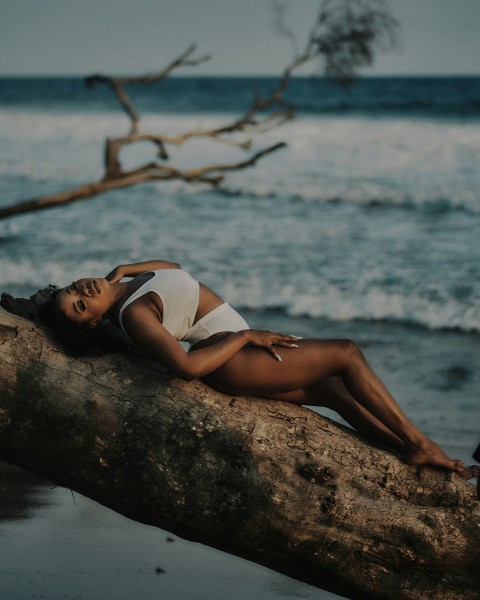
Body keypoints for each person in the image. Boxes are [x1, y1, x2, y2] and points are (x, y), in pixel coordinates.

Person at [43, 259, 477, 478]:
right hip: (231, 362)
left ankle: (414, 453)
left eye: (73, 288)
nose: (82, 291)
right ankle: (421, 443)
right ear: (95, 321)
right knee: (345, 352)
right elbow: (188, 368)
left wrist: (123, 270)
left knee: (332, 391)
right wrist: (246, 338)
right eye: (80, 306)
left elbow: (173, 268)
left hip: (235, 354)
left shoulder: (125, 286)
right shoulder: (135, 316)